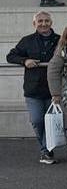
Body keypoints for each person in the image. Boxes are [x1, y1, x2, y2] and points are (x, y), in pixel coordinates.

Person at [7, 11, 59, 162]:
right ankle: (45, 148)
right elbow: (11, 56)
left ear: (51, 23)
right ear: (34, 24)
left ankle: (46, 151)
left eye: (46, 21)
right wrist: (24, 60)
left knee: (51, 122)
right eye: (40, 21)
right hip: (33, 90)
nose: (43, 24)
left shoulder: (60, 39)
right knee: (37, 120)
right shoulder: (27, 40)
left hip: (54, 89)